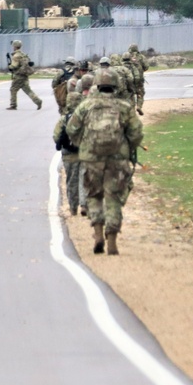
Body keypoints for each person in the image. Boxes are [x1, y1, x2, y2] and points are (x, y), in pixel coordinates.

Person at [66, 70, 144, 255]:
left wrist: (83, 144)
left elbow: (72, 128)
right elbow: (136, 133)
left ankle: (98, 232)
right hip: (117, 159)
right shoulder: (124, 106)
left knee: (94, 195)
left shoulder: (86, 106)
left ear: (97, 85)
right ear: (116, 85)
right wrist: (127, 148)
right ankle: (112, 239)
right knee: (113, 197)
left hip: (91, 158)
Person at [53, 92, 83, 216]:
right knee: (85, 179)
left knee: (72, 181)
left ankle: (73, 208)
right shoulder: (86, 117)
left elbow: (56, 136)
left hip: (69, 155)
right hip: (85, 153)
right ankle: (85, 204)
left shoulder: (64, 119)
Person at [7, 39, 42, 110]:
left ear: (14, 46)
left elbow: (14, 66)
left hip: (18, 76)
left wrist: (9, 66)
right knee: (28, 90)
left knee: (13, 89)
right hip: (25, 75)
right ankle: (38, 101)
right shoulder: (23, 55)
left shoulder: (16, 56)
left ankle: (13, 105)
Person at [127, 43, 149, 115]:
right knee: (140, 93)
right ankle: (139, 106)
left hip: (129, 80)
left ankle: (131, 109)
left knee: (130, 94)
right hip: (139, 80)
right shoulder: (141, 57)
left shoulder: (127, 56)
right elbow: (146, 67)